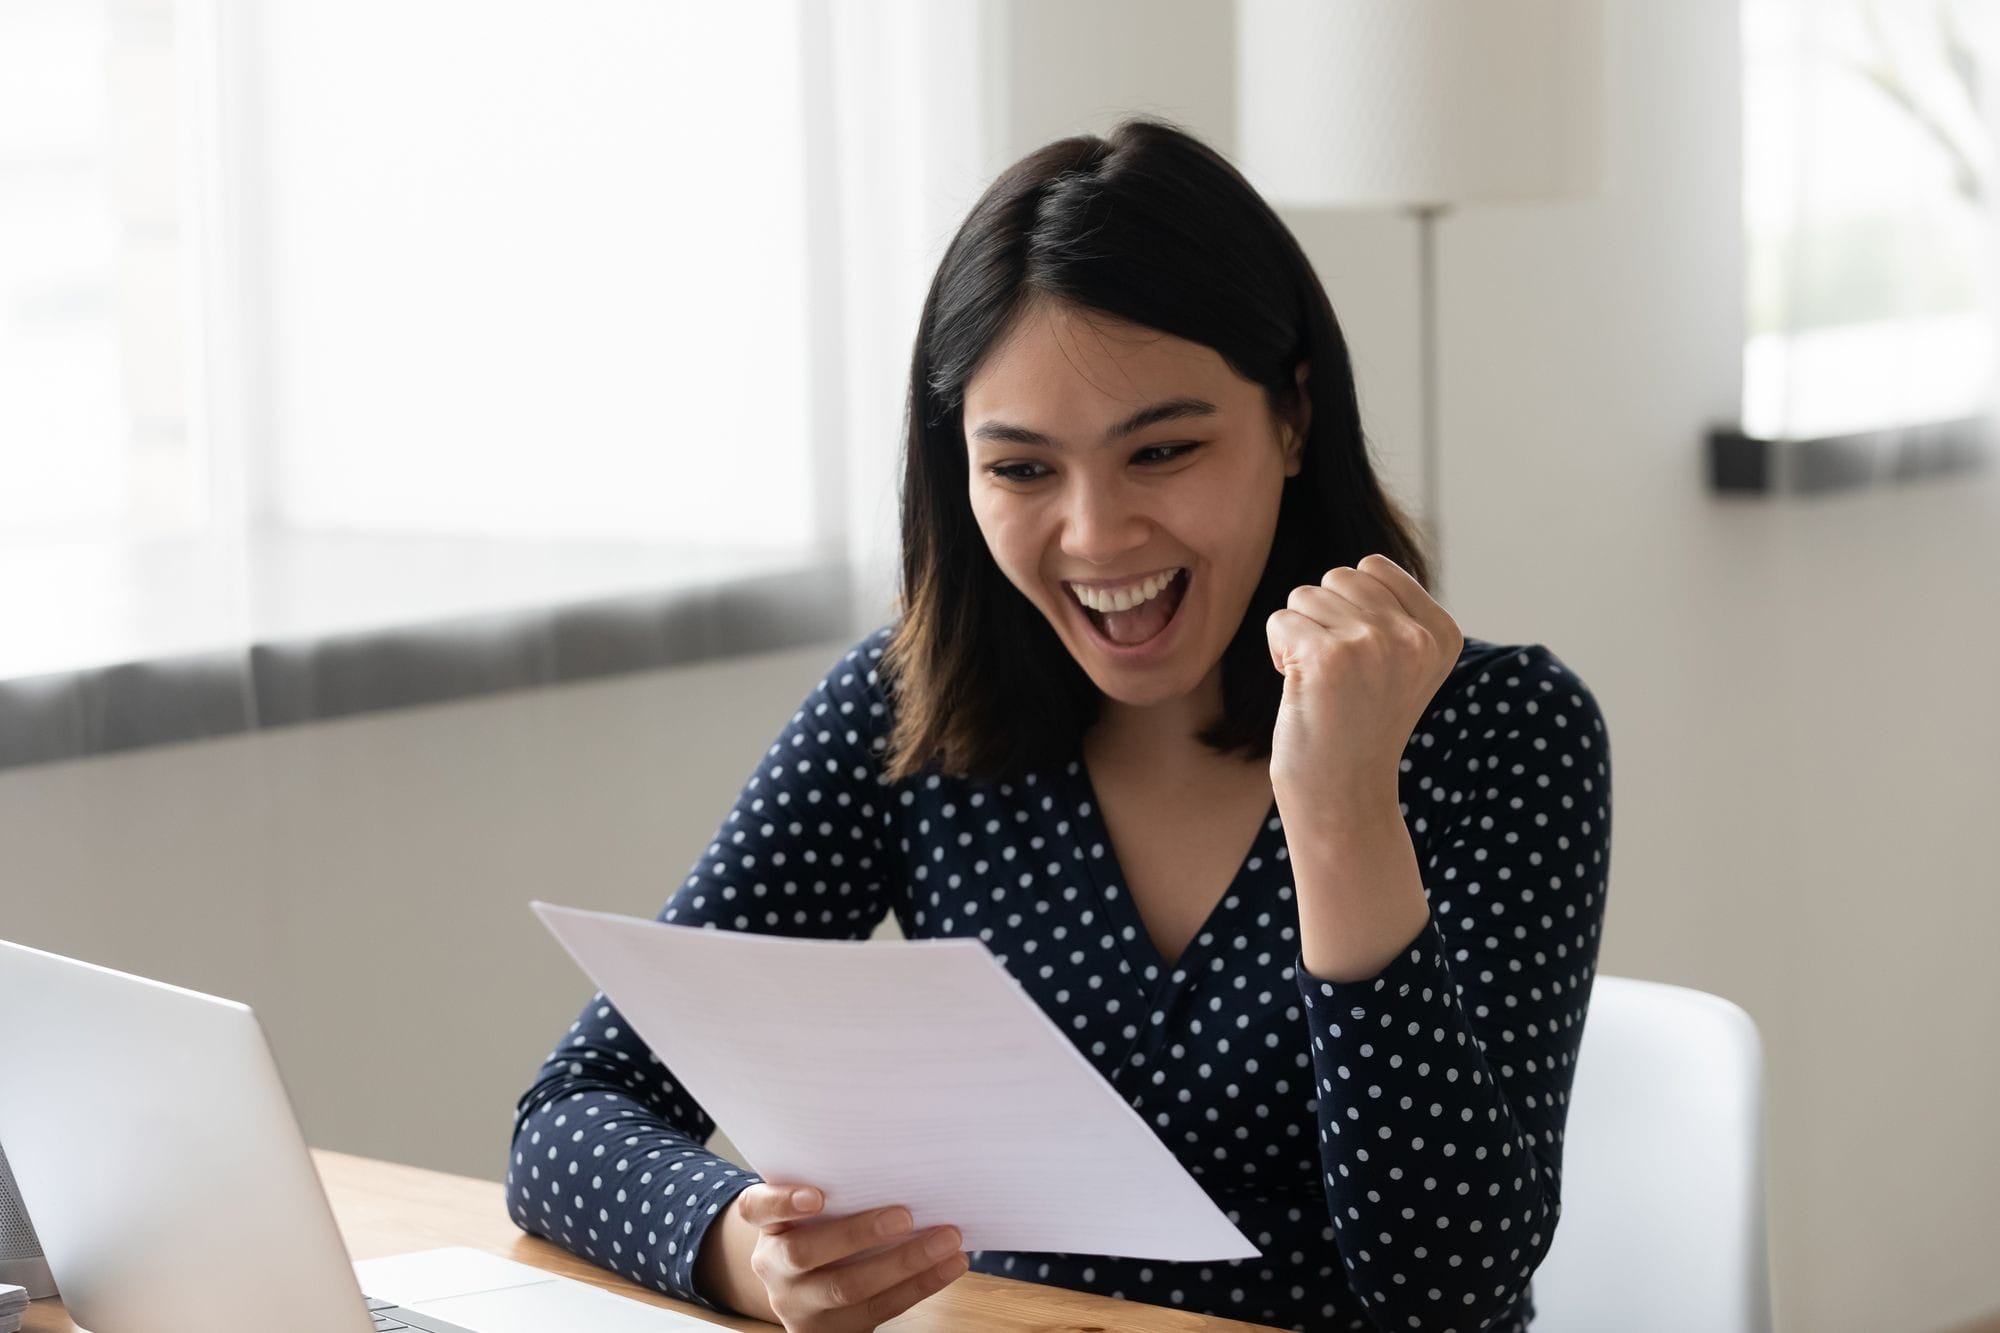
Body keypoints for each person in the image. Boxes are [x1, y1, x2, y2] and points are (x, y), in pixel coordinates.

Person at [505, 117, 1611, 1333]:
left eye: (1163, 450)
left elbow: (1442, 1288)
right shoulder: (911, 713)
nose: (1094, 535)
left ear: (1291, 416)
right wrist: (740, 1248)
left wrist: (1339, 803)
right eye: (1022, 470)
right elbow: (574, 1110)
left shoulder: (1500, 733)